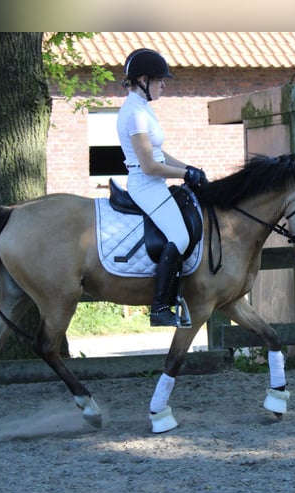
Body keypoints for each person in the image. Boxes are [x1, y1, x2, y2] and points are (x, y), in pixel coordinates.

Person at [117, 48, 207, 327]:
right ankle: (159, 308)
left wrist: (190, 169)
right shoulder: (135, 114)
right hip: (145, 184)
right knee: (179, 237)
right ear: (143, 80)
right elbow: (149, 165)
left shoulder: (143, 110)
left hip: (155, 183)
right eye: (159, 80)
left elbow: (160, 155)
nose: (164, 85)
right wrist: (184, 173)